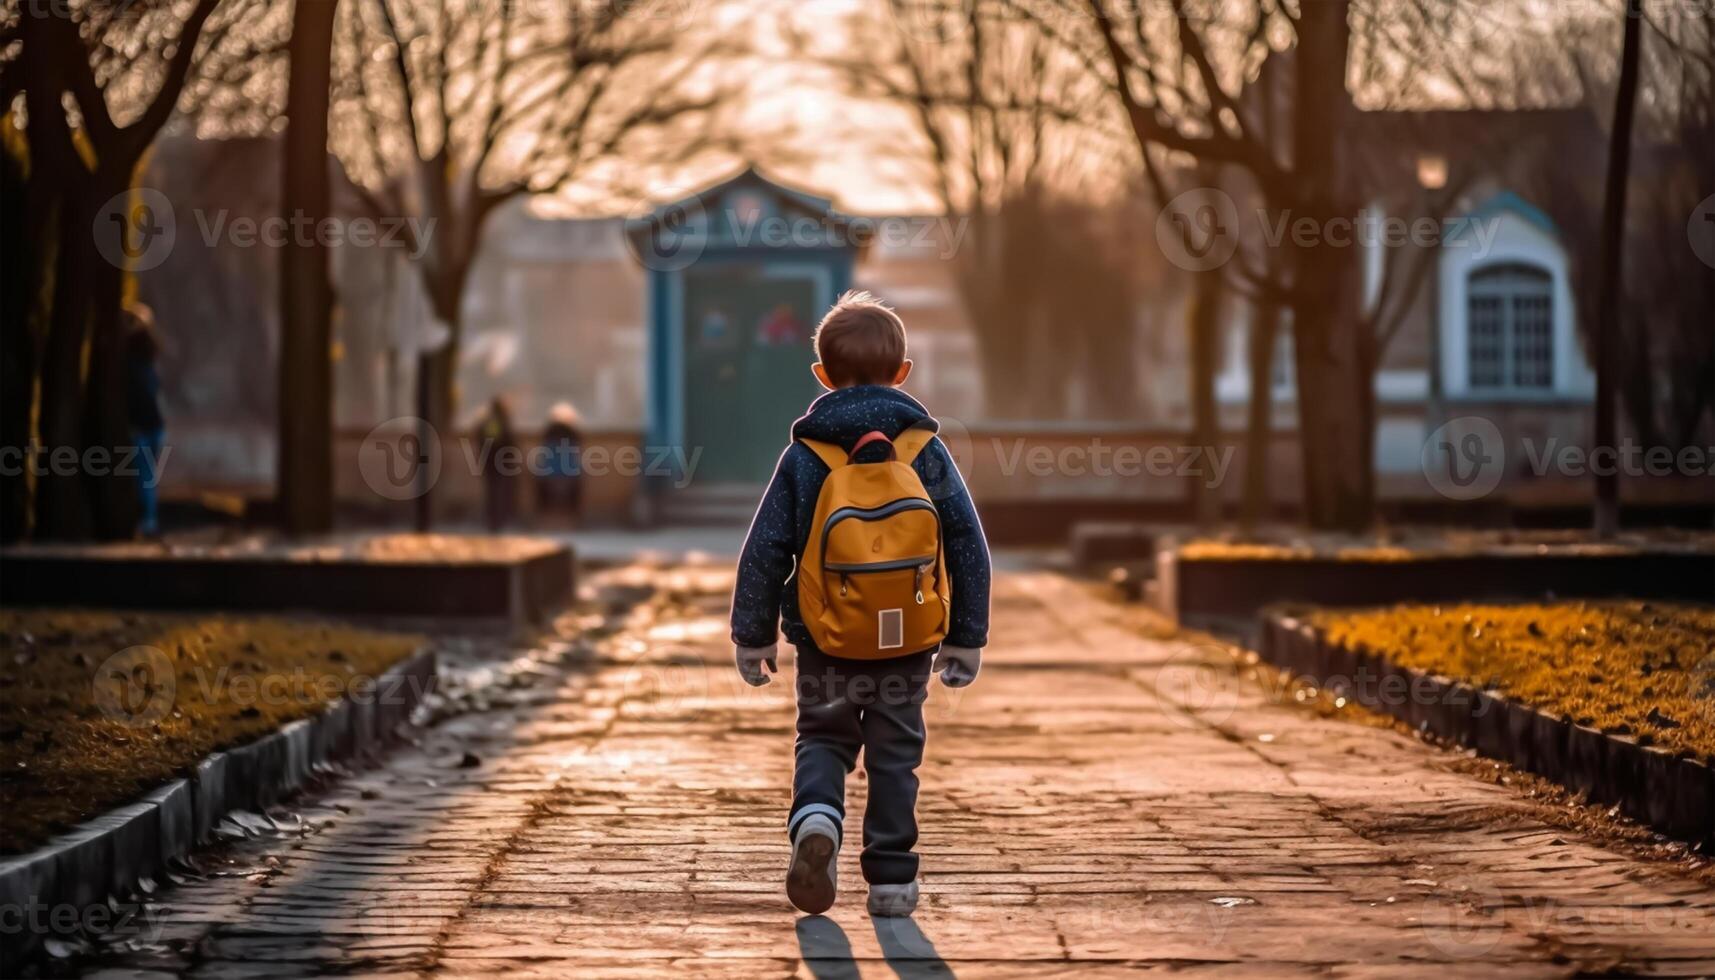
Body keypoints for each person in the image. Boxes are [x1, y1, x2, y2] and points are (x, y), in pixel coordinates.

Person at [729, 290, 990, 918]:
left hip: (825, 640)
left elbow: (767, 546)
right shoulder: (922, 450)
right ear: (903, 374)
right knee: (896, 756)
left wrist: (752, 633)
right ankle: (893, 882)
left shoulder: (806, 455)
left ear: (822, 376)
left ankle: (818, 820)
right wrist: (966, 636)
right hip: (908, 641)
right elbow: (964, 540)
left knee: (822, 736)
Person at [122, 304, 165, 538]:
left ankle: (148, 522)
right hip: (154, 425)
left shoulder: (131, 360)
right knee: (146, 477)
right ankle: (148, 520)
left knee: (144, 477)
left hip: (141, 426)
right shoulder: (149, 356)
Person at [537, 401, 584, 526]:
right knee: (578, 483)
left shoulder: (548, 434)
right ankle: (574, 516)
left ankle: (543, 514)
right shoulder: (573, 435)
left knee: (539, 484)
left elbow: (544, 458)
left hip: (549, 476)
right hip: (569, 476)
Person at [477, 396, 518, 531]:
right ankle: (499, 520)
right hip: (501, 462)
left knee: (492, 492)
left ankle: (493, 520)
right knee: (500, 491)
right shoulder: (502, 421)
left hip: (489, 461)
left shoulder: (487, 421)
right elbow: (509, 441)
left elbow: (480, 438)